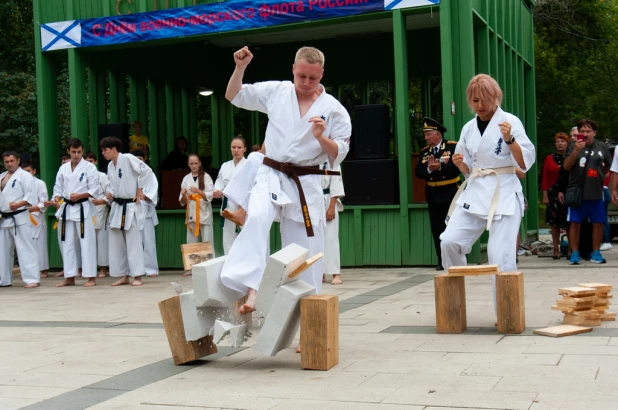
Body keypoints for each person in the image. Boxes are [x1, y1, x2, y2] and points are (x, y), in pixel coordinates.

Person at [220, 46, 351, 315]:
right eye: (301, 76)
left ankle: (309, 321)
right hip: (271, 173)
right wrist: (240, 68)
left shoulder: (334, 110)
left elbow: (338, 152)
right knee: (256, 219)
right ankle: (252, 288)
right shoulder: (276, 91)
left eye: (312, 78)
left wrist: (320, 137)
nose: (305, 83)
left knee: (305, 250)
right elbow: (233, 95)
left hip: (304, 181)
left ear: (322, 74)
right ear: (293, 69)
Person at [440, 74, 535, 307]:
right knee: (448, 241)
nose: (480, 106)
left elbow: (525, 164)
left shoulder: (510, 122)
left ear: (495, 97)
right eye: (474, 101)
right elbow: (468, 168)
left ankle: (506, 309)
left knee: (500, 253)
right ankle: (455, 298)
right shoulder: (468, 128)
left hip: (503, 191)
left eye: (484, 100)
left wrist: (510, 140)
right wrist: (461, 164)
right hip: (476, 191)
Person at [101, 136, 158, 286]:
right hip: (117, 206)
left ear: (114, 149)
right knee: (118, 243)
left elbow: (146, 171)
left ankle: (137, 275)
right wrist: (109, 193)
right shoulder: (109, 166)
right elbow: (111, 185)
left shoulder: (127, 158)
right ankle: (123, 274)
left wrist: (140, 188)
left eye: (105, 150)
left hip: (130, 206)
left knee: (133, 242)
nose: (103, 153)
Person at [51, 138, 100, 287]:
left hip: (83, 208)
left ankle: (91, 276)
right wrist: (56, 199)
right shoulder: (63, 168)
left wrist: (79, 196)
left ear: (82, 151)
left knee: (87, 242)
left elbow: (94, 189)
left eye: (79, 152)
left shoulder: (89, 168)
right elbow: (57, 188)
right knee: (67, 243)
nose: (76, 154)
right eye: (73, 152)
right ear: (68, 151)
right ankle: (69, 276)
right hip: (66, 209)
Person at [414, 117, 460, 271]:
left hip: (451, 191)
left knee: (452, 226)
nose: (426, 137)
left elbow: (457, 168)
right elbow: (418, 172)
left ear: (438, 134)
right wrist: (429, 169)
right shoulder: (425, 152)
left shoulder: (452, 147)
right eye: (425, 135)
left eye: (428, 134)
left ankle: (455, 259)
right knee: (437, 227)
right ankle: (442, 260)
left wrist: (440, 168)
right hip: (433, 193)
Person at [563, 119, 611, 265]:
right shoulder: (573, 146)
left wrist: (600, 175)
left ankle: (595, 252)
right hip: (577, 192)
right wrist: (576, 150)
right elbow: (566, 166)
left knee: (598, 223)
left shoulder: (602, 146)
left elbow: (609, 166)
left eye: (588, 131)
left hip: (596, 192)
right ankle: (575, 253)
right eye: (582, 131)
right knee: (575, 223)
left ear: (594, 133)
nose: (585, 134)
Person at [0, 151, 40, 288]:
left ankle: (32, 279)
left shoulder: (25, 176)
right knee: (3, 251)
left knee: (25, 249)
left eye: (12, 161)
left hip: (19, 217)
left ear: (18, 160)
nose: (9, 164)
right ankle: (3, 279)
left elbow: (30, 197)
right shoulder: (1, 177)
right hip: (4, 218)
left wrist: (18, 204)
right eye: (6, 162)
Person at [179, 154, 215, 275]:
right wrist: (184, 194)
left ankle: (208, 267)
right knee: (191, 239)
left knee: (207, 239)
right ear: (188, 164)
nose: (194, 166)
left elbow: (210, 196)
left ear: (200, 163)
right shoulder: (185, 178)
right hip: (191, 210)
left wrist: (198, 191)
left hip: (203, 210)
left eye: (196, 163)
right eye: (191, 163)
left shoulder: (206, 177)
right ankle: (191, 268)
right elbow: (182, 201)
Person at [213, 136, 247, 255]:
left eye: (239, 147)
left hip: (244, 204)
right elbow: (219, 184)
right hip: (228, 203)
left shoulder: (249, 165)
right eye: (233, 147)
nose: (236, 150)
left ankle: (246, 264)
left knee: (246, 234)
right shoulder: (225, 166)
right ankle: (229, 264)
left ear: (244, 149)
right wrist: (217, 191)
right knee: (228, 236)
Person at [541, 132, 569, 259]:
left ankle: (571, 248)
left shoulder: (571, 157)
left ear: (567, 143)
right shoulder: (549, 158)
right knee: (554, 223)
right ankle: (555, 249)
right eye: (558, 141)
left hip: (568, 192)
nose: (560, 144)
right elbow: (545, 178)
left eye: (562, 141)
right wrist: (545, 195)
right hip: (553, 193)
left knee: (569, 221)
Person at [84, 152, 111, 278]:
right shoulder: (81, 176)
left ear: (95, 162)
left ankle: (103, 268)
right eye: (87, 161)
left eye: (91, 161)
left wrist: (103, 201)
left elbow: (109, 193)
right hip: (86, 211)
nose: (89, 163)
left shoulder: (102, 176)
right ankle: (89, 269)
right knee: (87, 242)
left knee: (102, 241)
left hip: (101, 210)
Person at [133, 150, 160, 277]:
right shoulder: (129, 173)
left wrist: (143, 195)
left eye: (140, 158)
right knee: (133, 242)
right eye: (136, 158)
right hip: (131, 211)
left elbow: (152, 192)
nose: (138, 161)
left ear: (144, 160)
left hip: (146, 210)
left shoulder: (149, 173)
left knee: (148, 241)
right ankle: (134, 269)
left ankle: (151, 269)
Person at [21, 162, 50, 279]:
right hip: (23, 217)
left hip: (36, 217)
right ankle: (29, 270)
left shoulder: (39, 183)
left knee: (40, 245)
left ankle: (43, 269)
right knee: (26, 245)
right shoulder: (21, 184)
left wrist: (34, 208)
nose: (27, 173)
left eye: (28, 171)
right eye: (24, 171)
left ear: (34, 171)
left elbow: (44, 201)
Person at [322, 161, 345, 285]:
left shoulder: (333, 160)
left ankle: (336, 273)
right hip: (312, 200)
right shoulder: (310, 156)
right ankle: (320, 273)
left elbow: (336, 185)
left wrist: (331, 206)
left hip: (328, 199)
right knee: (314, 238)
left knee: (331, 237)